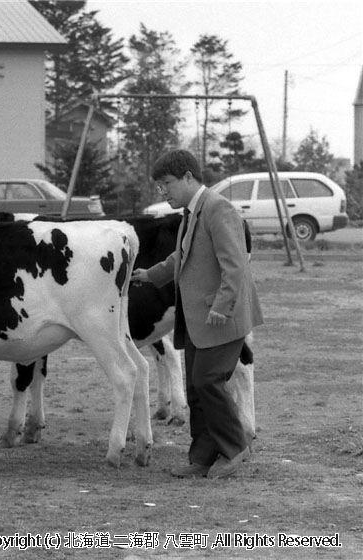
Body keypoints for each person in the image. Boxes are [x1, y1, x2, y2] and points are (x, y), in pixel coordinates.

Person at [131, 149, 263, 479]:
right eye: (160, 185)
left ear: (189, 177)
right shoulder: (193, 212)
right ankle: (202, 456)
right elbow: (183, 256)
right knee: (194, 387)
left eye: (167, 183)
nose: (163, 191)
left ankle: (234, 448)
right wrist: (153, 275)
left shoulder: (219, 209)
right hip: (196, 319)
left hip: (220, 318)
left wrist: (222, 307)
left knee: (208, 381)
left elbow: (235, 266)